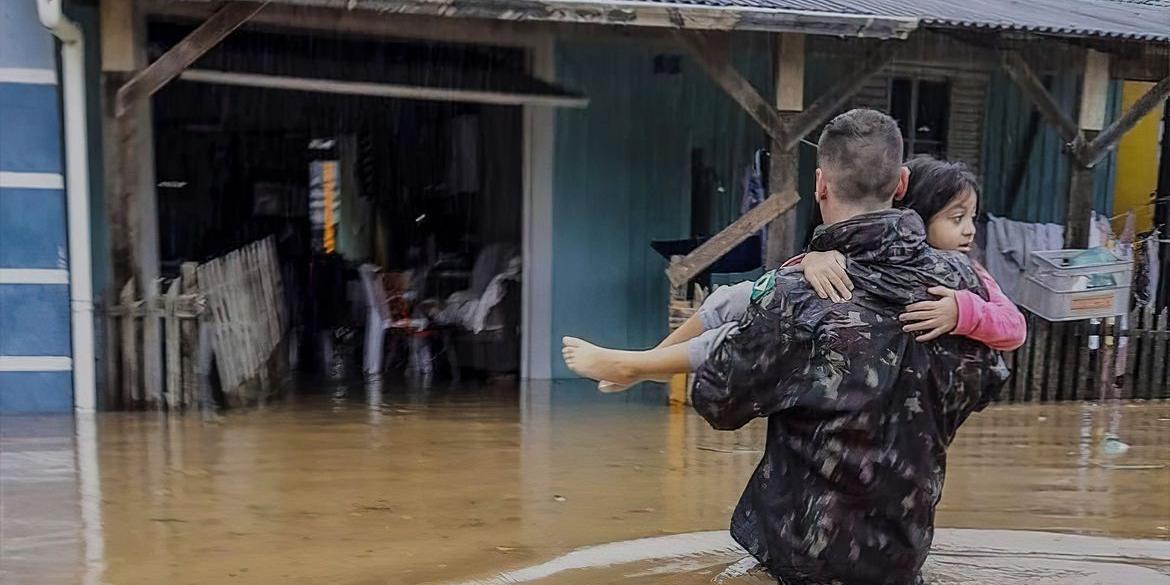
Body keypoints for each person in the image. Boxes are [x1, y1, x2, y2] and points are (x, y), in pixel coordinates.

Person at [574, 109, 1009, 585]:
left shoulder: (799, 293)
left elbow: (719, 402)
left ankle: (636, 363)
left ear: (820, 184)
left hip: (804, 556)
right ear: (901, 183)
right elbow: (987, 382)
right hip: (904, 551)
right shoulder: (962, 283)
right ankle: (636, 363)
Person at [561, 156, 1025, 389]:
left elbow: (1014, 327)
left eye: (970, 219)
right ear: (912, 209)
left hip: (869, 365)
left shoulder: (965, 276)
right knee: (732, 299)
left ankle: (637, 367)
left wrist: (963, 312)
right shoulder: (861, 245)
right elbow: (790, 283)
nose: (967, 231)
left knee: (741, 338)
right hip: (847, 349)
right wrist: (811, 259)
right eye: (955, 217)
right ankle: (648, 364)